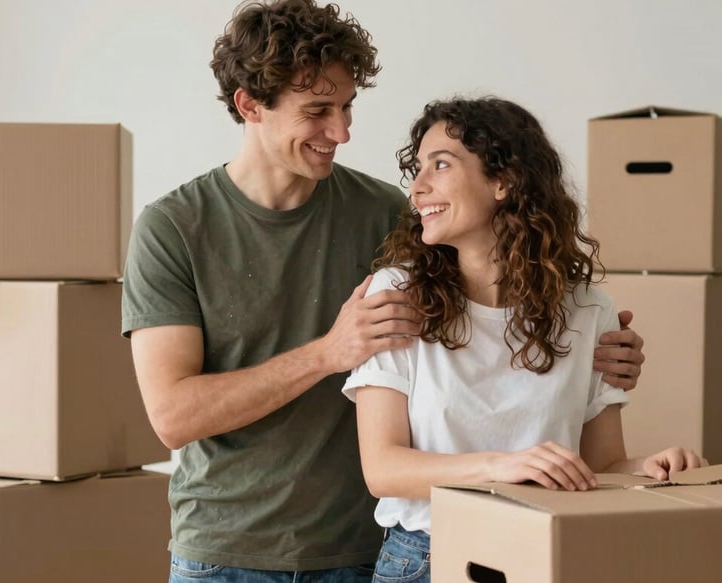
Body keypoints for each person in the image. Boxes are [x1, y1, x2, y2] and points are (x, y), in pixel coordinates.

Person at [121, 2, 645, 581]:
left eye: (346, 107)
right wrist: (328, 352)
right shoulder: (173, 228)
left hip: (368, 547)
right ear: (250, 105)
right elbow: (172, 416)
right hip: (228, 553)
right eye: (318, 111)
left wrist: (599, 348)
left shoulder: (390, 216)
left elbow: (490, 312)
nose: (342, 132)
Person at [342, 96, 706, 583]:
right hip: (427, 556)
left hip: (545, 551)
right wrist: (506, 466)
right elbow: (383, 468)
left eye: (441, 165)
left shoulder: (588, 310)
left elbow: (600, 465)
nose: (418, 189)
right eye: (419, 169)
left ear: (503, 181)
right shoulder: (397, 296)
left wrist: (649, 467)